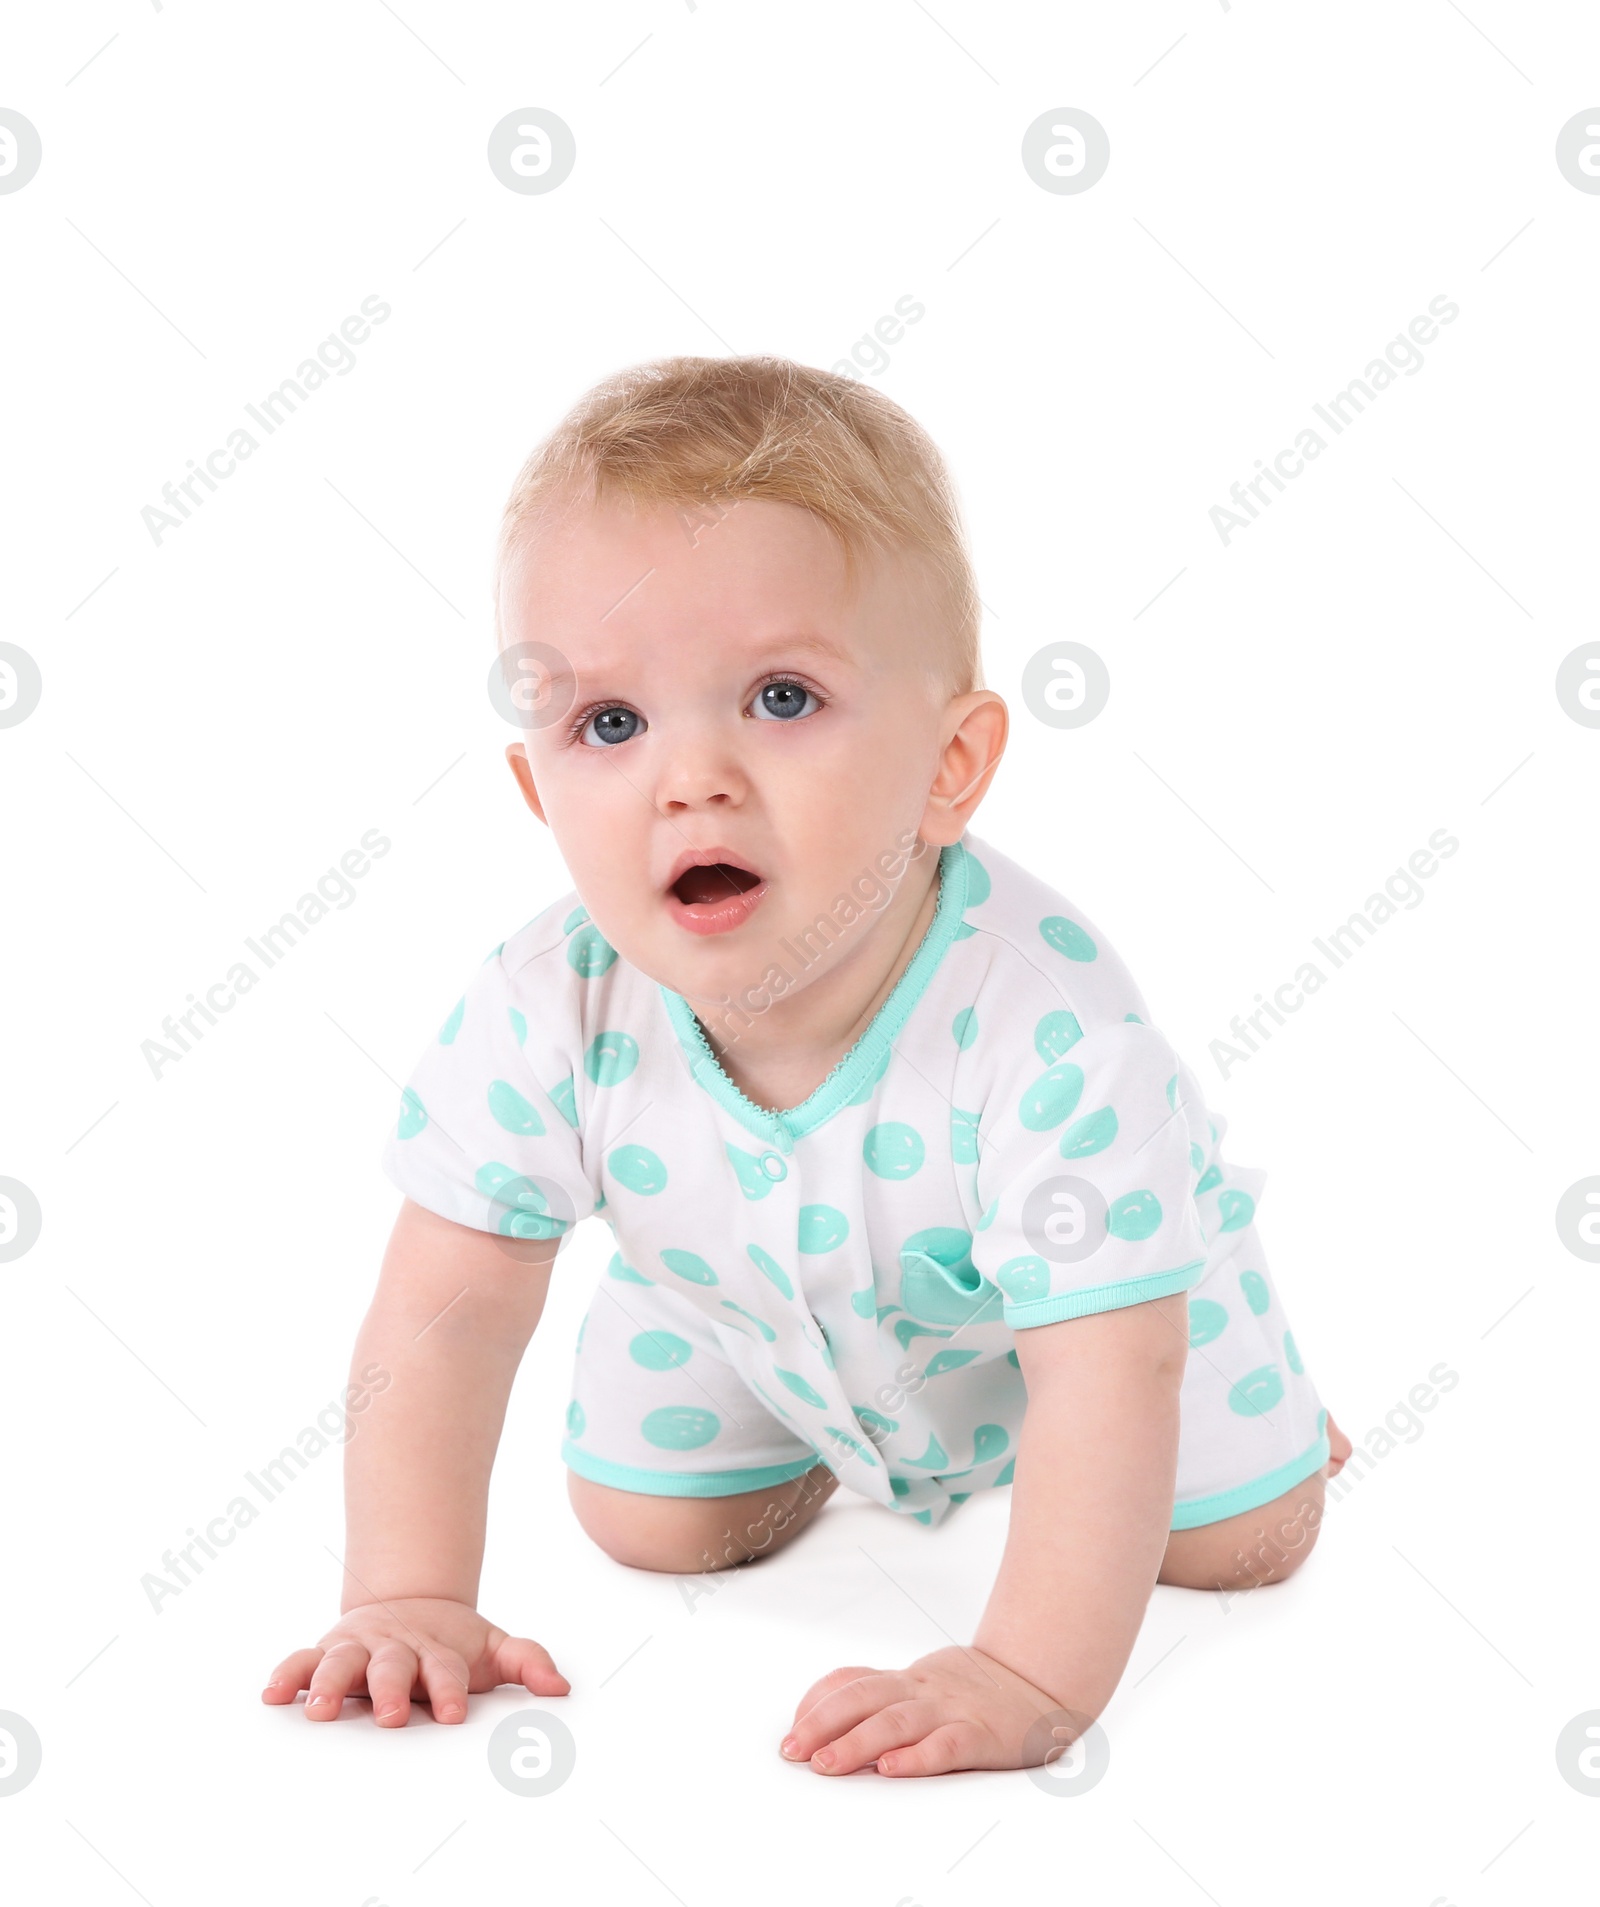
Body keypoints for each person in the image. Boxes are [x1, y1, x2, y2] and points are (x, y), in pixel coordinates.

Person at [263, 355, 1349, 1777]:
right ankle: (844, 1443)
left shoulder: (1052, 1037)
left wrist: (1020, 1675)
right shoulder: (546, 1009)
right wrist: (407, 1593)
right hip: (756, 1316)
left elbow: (1107, 1372)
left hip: (1110, 1320)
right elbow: (445, 1321)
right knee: (652, 1528)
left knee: (1231, 1545)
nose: (688, 776)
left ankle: (1252, 1400)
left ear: (950, 766)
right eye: (609, 724)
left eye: (781, 698)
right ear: (539, 790)